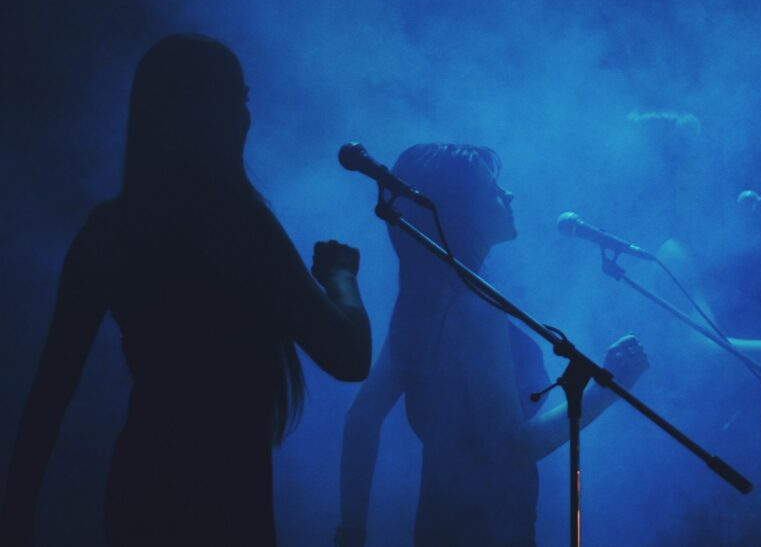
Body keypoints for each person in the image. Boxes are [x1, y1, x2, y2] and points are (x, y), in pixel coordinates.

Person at [0, 34, 372, 546]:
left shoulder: (112, 228)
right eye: (238, 101)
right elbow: (349, 357)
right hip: (226, 499)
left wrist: (16, 519)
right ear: (209, 113)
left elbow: (49, 393)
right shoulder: (240, 226)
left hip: (140, 488)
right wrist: (340, 276)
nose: (247, 118)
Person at [336, 143, 649, 547]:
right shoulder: (472, 309)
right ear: (458, 209)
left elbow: (361, 420)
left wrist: (351, 534)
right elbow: (510, 449)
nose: (509, 195)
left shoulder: (423, 299)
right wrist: (607, 389)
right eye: (492, 189)